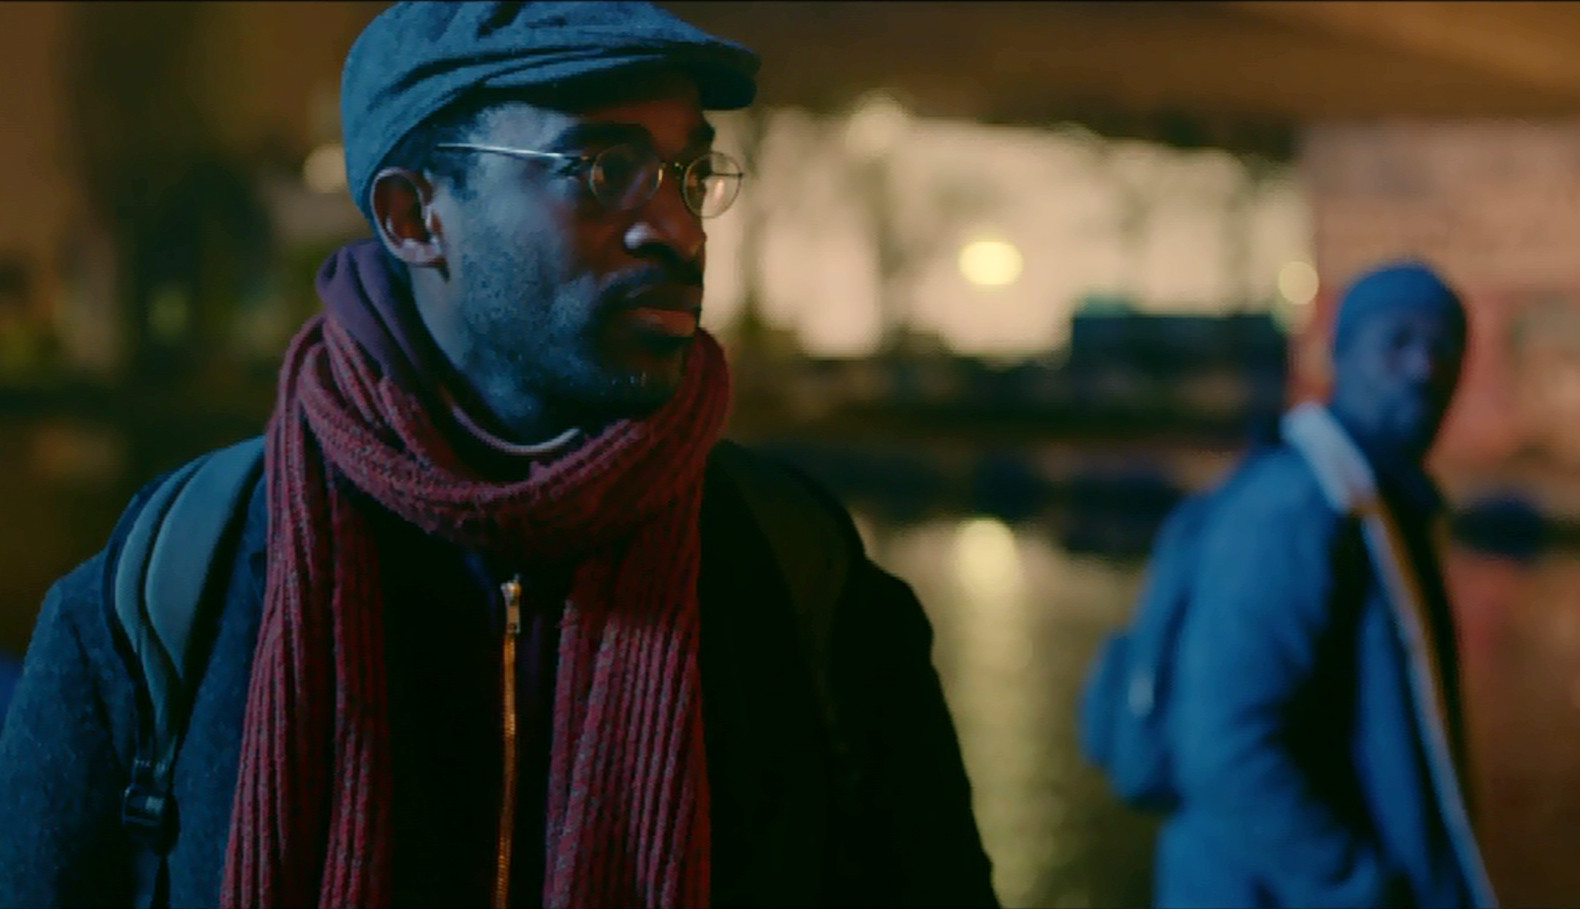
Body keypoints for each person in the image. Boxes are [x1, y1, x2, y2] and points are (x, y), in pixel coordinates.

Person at [0, 3, 997, 906]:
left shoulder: (798, 569)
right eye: (601, 171)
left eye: (689, 174)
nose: (678, 231)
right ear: (414, 216)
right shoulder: (176, 584)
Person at [1154, 261, 1497, 908]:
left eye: (1444, 347)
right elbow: (1224, 750)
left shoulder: (1378, 499)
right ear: (1339, 355)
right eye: (1397, 341)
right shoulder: (1295, 508)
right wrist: (1359, 886)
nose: (1424, 368)